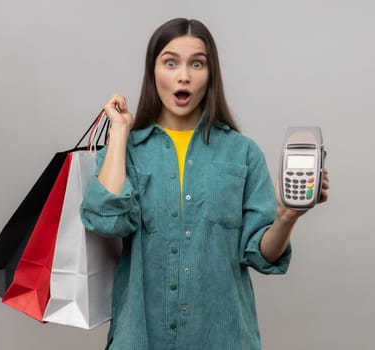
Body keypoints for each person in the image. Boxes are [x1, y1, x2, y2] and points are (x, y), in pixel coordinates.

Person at [80, 18, 330, 350]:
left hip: (223, 338)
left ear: (210, 74)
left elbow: (262, 256)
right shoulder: (128, 150)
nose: (184, 76)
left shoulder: (242, 153)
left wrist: (287, 216)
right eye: (170, 63)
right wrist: (121, 133)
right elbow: (106, 220)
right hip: (140, 338)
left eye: (197, 64)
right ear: (153, 71)